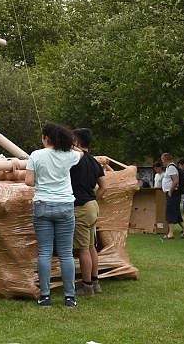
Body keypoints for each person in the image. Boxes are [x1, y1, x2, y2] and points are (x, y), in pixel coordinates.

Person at [25, 122, 82, 308]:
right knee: (66, 253)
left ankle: (45, 296)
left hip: (42, 205)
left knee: (45, 252)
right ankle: (69, 297)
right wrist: (68, 144)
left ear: (45, 138)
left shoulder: (35, 155)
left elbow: (28, 181)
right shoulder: (69, 155)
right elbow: (80, 152)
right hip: (65, 205)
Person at [70, 127, 106, 298]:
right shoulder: (94, 162)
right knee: (91, 246)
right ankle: (95, 282)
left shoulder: (75, 159)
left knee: (83, 249)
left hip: (81, 207)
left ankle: (87, 286)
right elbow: (104, 187)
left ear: (76, 141)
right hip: (92, 205)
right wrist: (93, 198)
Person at [161, 153, 184, 239]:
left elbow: (175, 181)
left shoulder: (171, 167)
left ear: (165, 159)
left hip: (173, 193)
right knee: (176, 213)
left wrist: (170, 191)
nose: (162, 162)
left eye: (162, 160)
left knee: (170, 212)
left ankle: (171, 233)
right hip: (173, 193)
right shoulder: (170, 168)